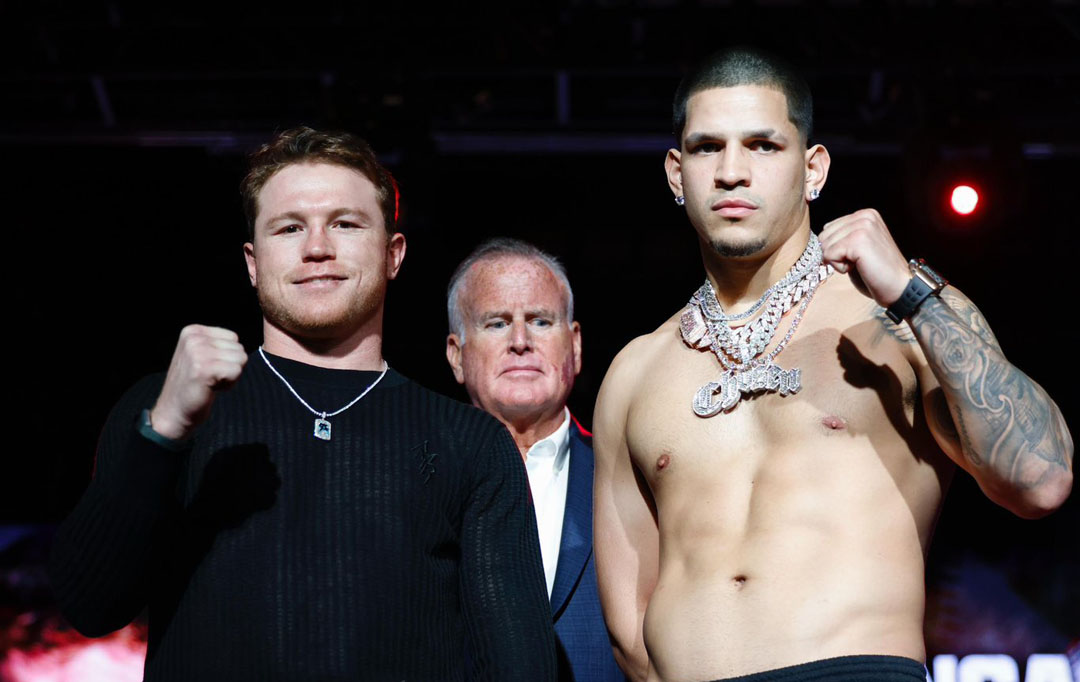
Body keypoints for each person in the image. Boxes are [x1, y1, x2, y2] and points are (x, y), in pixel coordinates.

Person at [593, 47, 1074, 682]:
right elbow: (630, 630)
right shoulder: (636, 371)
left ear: (813, 168)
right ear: (677, 174)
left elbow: (1040, 481)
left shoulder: (901, 317)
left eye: (763, 146)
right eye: (709, 147)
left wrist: (909, 293)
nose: (732, 171)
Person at [49, 127, 556, 682]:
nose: (317, 247)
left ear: (393, 254)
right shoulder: (165, 406)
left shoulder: (470, 441)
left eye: (345, 223)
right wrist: (165, 433)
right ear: (252, 261)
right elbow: (88, 605)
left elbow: (519, 667)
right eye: (290, 227)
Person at [446, 238, 627, 682]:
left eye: (541, 321)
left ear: (576, 345)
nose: (521, 342)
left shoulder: (630, 479)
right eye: (496, 324)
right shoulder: (413, 481)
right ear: (457, 356)